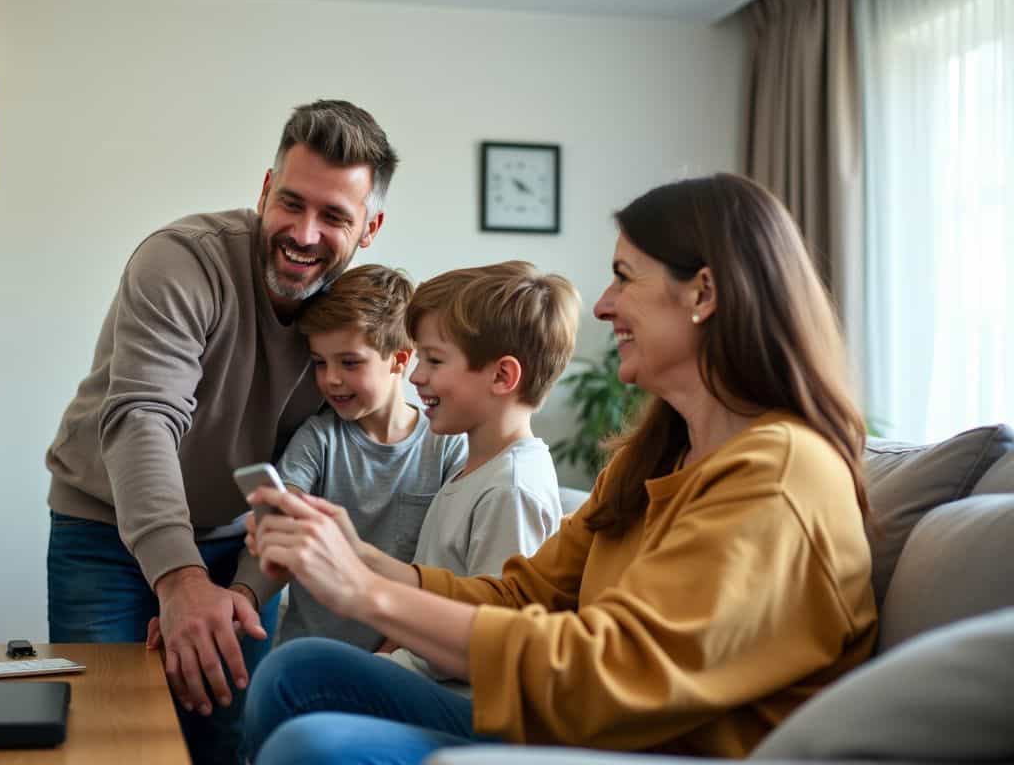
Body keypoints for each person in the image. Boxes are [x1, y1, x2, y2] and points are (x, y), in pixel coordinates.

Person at [240, 173, 878, 765]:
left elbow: (622, 671)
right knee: (296, 672)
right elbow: (521, 595)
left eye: (625, 276)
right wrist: (361, 559)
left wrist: (368, 595)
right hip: (574, 724)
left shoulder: (780, 474)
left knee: (312, 744)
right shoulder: (651, 459)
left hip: (653, 749)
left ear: (703, 293)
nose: (603, 306)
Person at [42, 100, 397, 764]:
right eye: (291, 203)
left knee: (225, 745)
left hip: (243, 551)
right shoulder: (181, 261)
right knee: (112, 740)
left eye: (335, 216)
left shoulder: (354, 323)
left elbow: (314, 474)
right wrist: (178, 580)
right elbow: (144, 416)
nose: (305, 232)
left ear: (369, 227)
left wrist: (239, 591)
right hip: (106, 530)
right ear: (265, 189)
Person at [376, 261, 578, 689]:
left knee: (300, 668)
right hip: (421, 673)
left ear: (502, 376)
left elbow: (496, 641)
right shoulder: (476, 465)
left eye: (433, 359)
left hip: (462, 701)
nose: (416, 376)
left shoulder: (511, 487)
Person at [271, 263, 468, 651]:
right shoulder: (319, 438)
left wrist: (389, 655)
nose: (331, 379)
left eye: (349, 362)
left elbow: (446, 572)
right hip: (307, 652)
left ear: (399, 359)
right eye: (319, 362)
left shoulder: (447, 445)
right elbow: (285, 504)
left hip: (402, 656)